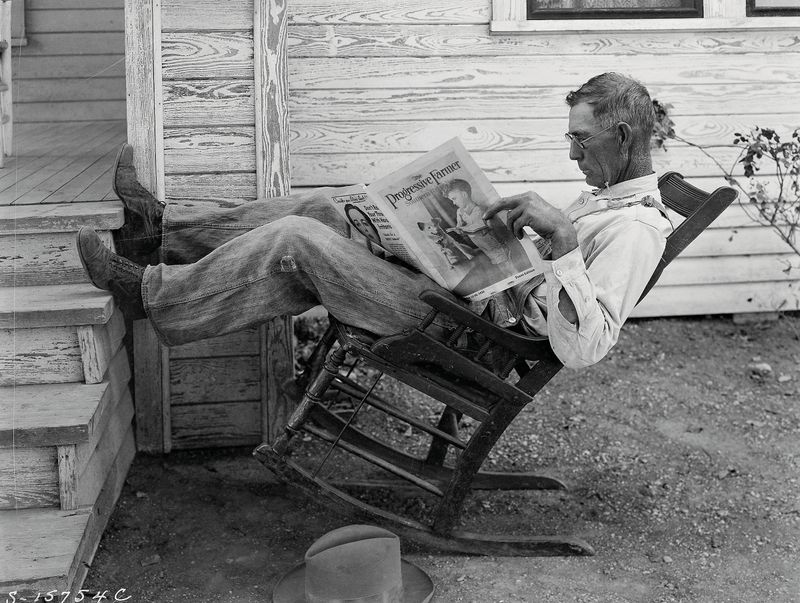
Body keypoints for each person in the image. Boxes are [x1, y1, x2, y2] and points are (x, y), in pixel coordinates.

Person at [77, 72, 671, 369]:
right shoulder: (607, 198)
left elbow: (587, 347)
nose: (572, 153)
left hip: (461, 334)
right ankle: (156, 236)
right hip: (467, 293)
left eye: (581, 139)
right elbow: (540, 278)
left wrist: (562, 240)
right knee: (326, 211)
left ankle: (152, 297)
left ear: (621, 137)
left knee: (298, 239)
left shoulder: (635, 229)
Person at [444, 178, 511, 266]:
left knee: (505, 262)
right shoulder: (459, 212)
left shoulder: (479, 210)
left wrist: (462, 229)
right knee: (496, 262)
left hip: (492, 243)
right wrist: (456, 228)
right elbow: (459, 226)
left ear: (464, 194)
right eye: (452, 200)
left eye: (454, 198)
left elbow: (477, 227)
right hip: (481, 244)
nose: (453, 203)